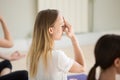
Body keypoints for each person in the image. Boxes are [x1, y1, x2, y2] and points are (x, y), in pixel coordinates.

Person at [27, 9, 85, 80]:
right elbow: (82, 67)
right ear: (51, 30)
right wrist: (73, 37)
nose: (64, 29)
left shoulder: (32, 55)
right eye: (62, 25)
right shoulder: (57, 56)